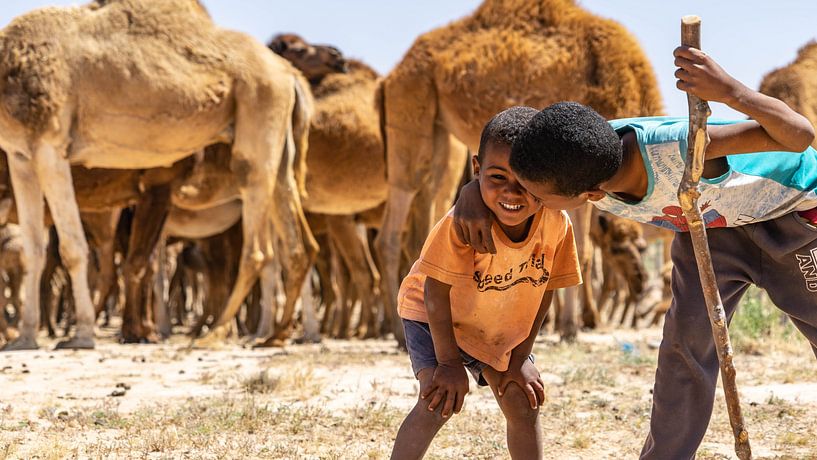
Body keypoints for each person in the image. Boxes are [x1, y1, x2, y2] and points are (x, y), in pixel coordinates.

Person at [452, 45, 817, 459]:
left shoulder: (679, 147)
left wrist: (730, 90)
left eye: (538, 197)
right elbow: (515, 149)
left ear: (590, 196)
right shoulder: (574, 154)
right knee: (685, 349)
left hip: (793, 218)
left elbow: (799, 136)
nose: (526, 199)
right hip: (708, 229)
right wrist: (471, 193)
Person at [390, 106, 582, 460]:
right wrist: (448, 364)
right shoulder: (463, 225)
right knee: (437, 401)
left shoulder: (556, 225)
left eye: (527, 181)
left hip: (494, 325)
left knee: (522, 401)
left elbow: (546, 289)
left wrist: (519, 357)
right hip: (434, 318)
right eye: (497, 177)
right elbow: (435, 291)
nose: (512, 192)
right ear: (477, 168)